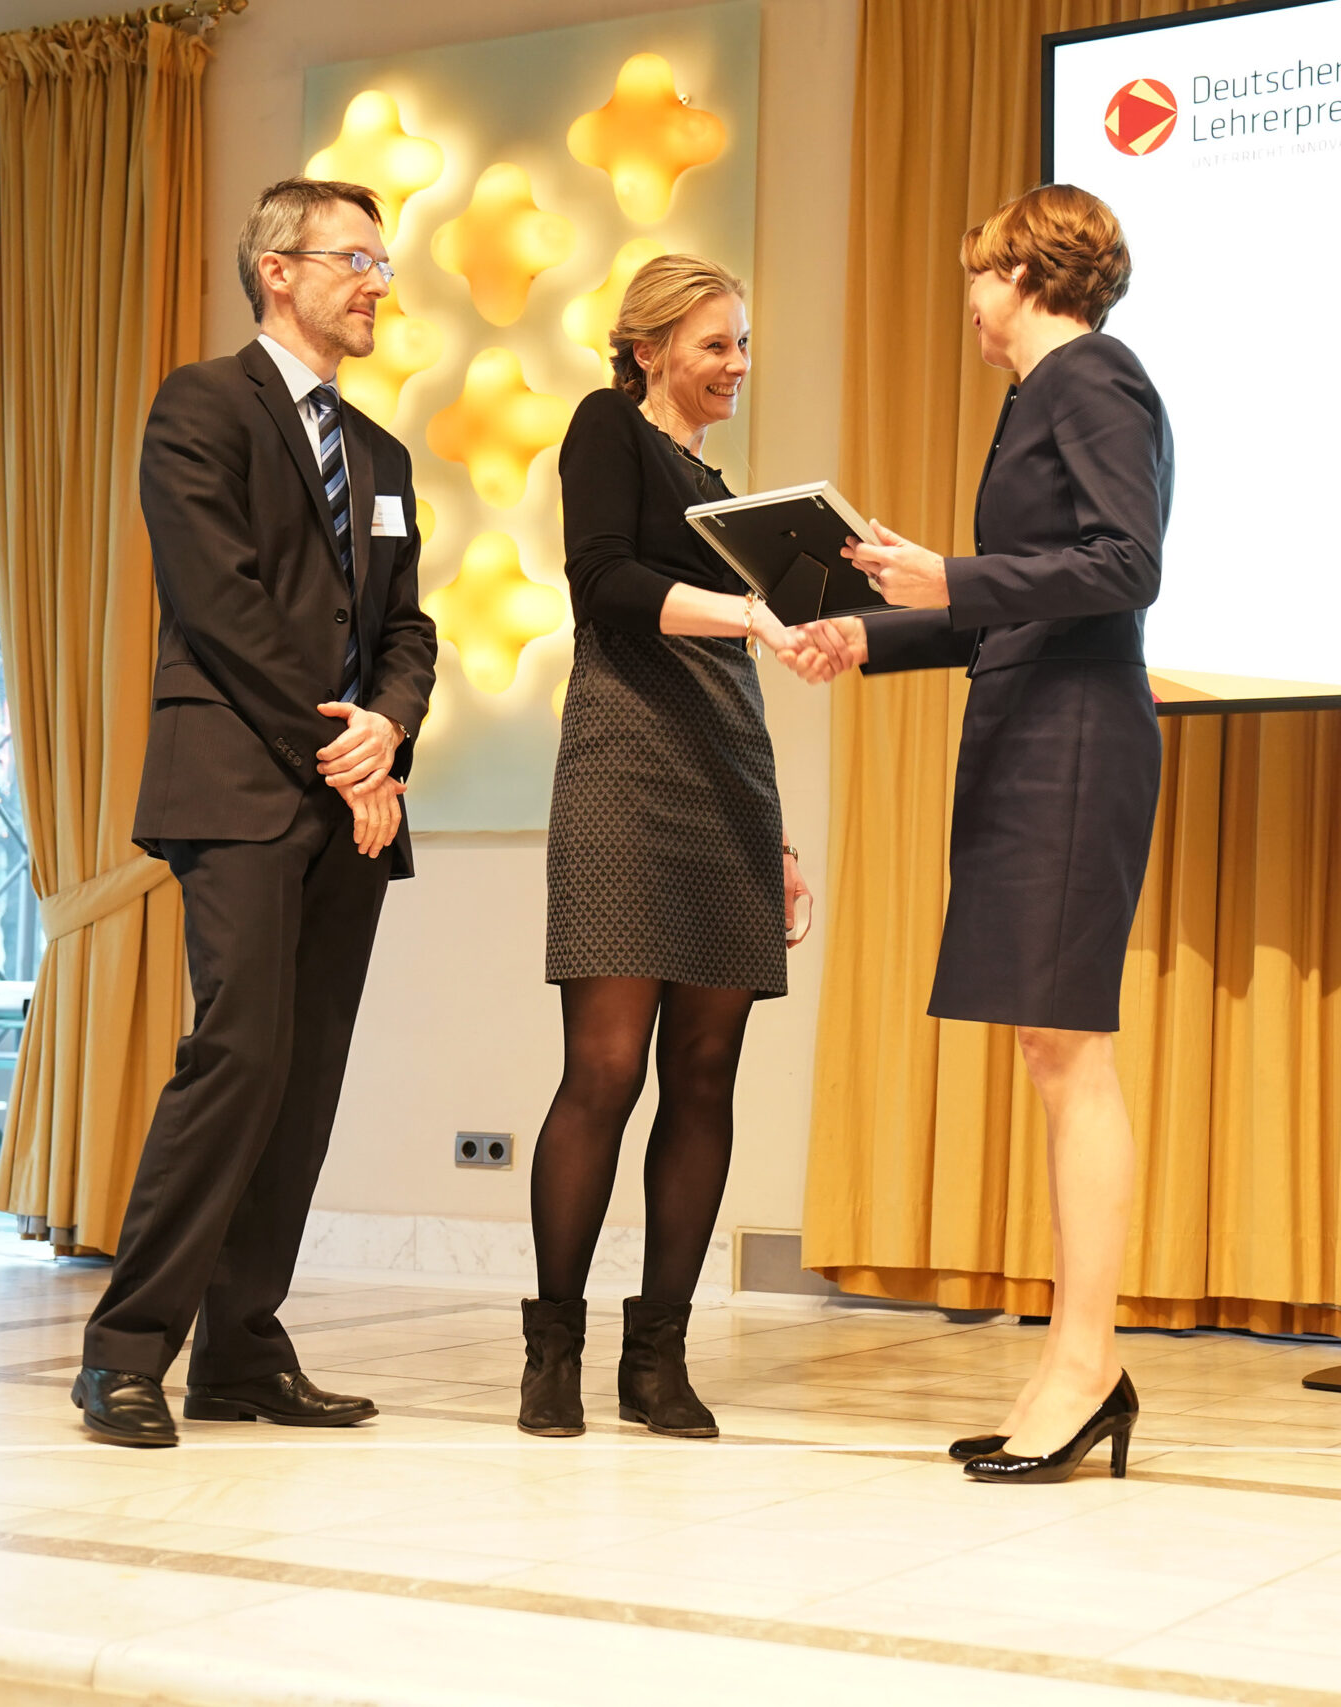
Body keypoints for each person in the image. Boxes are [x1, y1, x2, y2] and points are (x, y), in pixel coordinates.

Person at [792, 184, 1170, 1483]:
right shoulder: (1039, 397)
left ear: (1026, 273)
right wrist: (868, 632)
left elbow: (1124, 566)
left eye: (978, 271)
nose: (967, 296)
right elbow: (1014, 606)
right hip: (1031, 725)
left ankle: (1087, 1364)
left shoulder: (1094, 376)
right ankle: (1076, 1363)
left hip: (1075, 737)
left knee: (1071, 1050)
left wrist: (948, 576)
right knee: (1048, 1044)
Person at [71, 178, 438, 1448]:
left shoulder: (382, 457)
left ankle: (239, 1351)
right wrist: (345, 751)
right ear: (277, 269)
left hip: (351, 805)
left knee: (306, 1076)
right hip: (236, 785)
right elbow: (217, 603)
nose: (376, 284)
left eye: (383, 265)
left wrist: (389, 728)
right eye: (355, 260)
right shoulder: (200, 406)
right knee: (237, 1057)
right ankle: (124, 1353)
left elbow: (408, 630)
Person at [516, 255, 814, 1439]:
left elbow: (742, 673)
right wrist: (751, 611)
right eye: (714, 343)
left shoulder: (719, 492)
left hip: (730, 782)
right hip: (624, 769)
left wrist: (777, 838)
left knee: (704, 1077)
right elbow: (602, 586)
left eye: (742, 343)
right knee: (605, 1070)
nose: (737, 363)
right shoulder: (607, 429)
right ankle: (552, 1354)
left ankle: (658, 1361)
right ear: (648, 350)